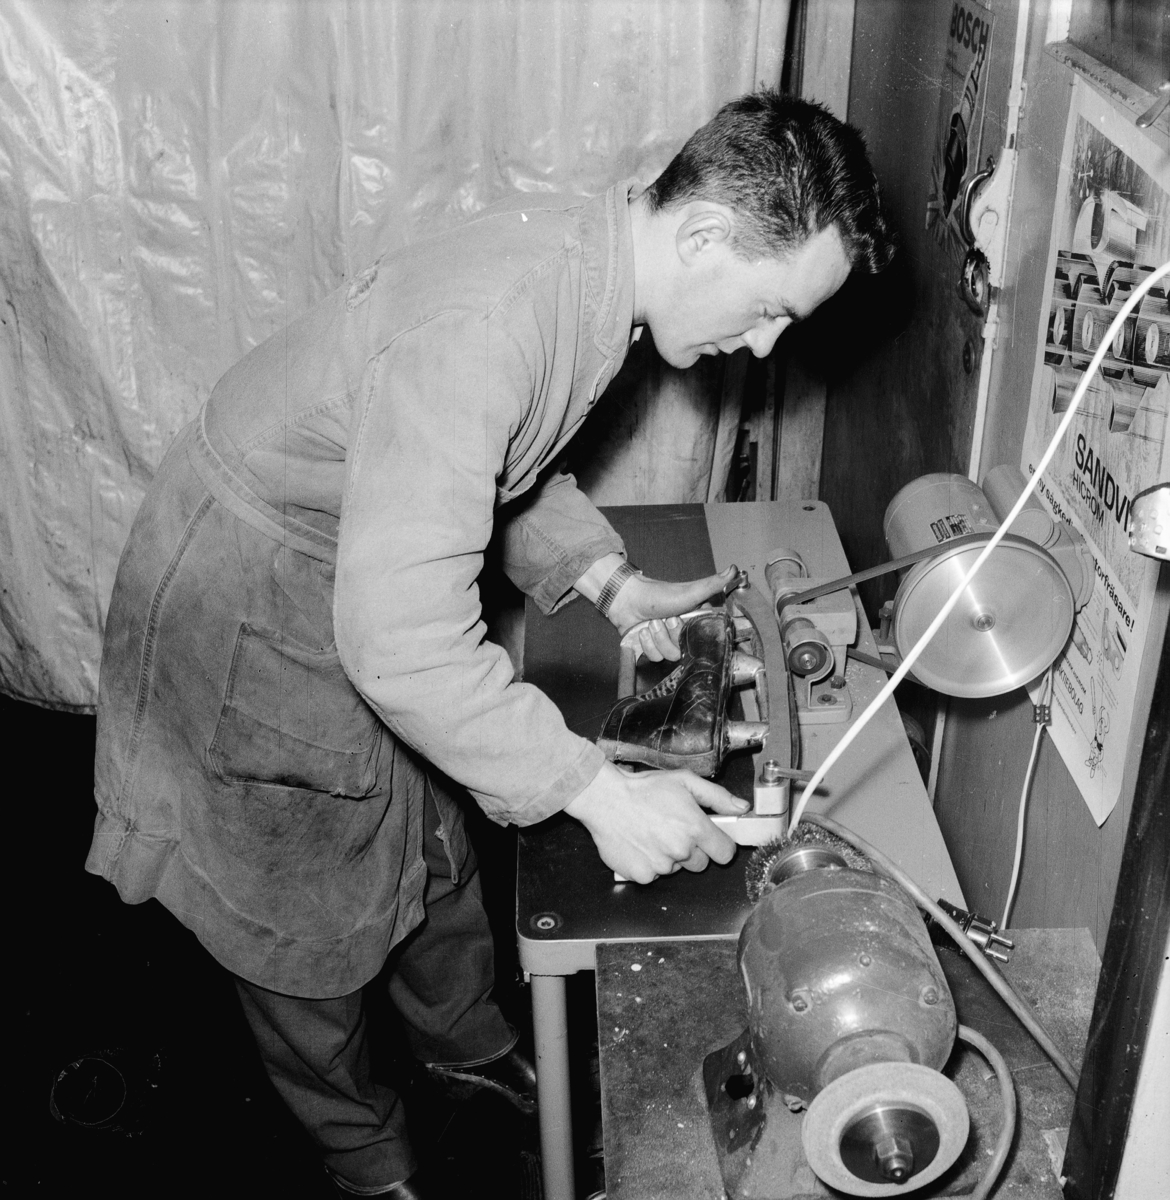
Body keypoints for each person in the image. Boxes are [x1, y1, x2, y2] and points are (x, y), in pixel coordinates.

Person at [85, 89, 893, 1197]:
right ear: (705, 235)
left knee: (430, 843)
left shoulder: (591, 269)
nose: (763, 346)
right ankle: (365, 1153)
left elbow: (491, 464)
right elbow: (405, 645)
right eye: (769, 310)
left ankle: (465, 1046)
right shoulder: (494, 321)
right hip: (250, 612)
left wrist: (613, 583)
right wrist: (598, 792)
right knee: (298, 932)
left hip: (363, 582)